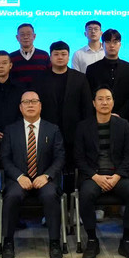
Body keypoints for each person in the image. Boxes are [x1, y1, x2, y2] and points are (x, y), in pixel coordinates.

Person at [75, 86, 129, 258]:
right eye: (100, 99)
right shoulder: (83, 127)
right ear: (93, 103)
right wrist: (95, 176)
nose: (104, 102)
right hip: (93, 176)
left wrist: (117, 176)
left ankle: (126, 241)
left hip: (117, 175)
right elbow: (79, 158)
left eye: (108, 98)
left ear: (113, 102)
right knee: (86, 194)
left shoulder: (123, 125)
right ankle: (92, 240)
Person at [0, 91, 65, 258]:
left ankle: (55, 243)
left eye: (34, 101)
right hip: (18, 179)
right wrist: (19, 176)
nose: (30, 105)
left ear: (40, 106)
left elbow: (60, 158)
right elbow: (4, 159)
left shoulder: (52, 129)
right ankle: (8, 243)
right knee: (12, 196)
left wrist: (47, 175)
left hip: (45, 179)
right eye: (26, 102)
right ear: (20, 107)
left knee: (50, 195)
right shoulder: (10, 130)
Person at [35, 41, 92, 177]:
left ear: (68, 56)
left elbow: (87, 106)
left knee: (72, 171)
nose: (60, 57)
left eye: (63, 54)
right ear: (50, 57)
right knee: (49, 169)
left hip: (74, 132)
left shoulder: (80, 78)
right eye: (56, 54)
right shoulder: (40, 79)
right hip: (47, 132)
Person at [86, 29, 129, 118]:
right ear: (102, 45)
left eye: (115, 42)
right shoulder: (92, 69)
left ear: (120, 44)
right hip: (98, 117)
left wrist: (121, 114)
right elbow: (89, 95)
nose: (111, 45)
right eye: (108, 42)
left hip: (125, 118)